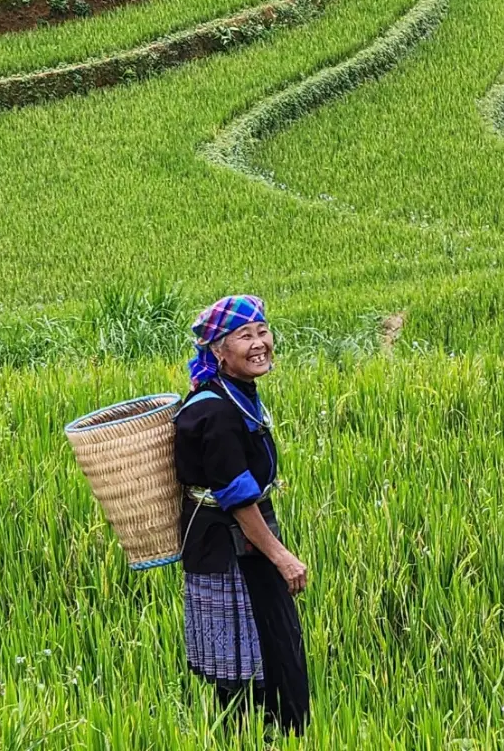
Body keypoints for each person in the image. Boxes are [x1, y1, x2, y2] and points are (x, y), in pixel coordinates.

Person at [174, 294, 310, 733]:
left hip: (237, 540)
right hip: (229, 547)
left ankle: (272, 735)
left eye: (262, 331)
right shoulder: (216, 410)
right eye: (243, 335)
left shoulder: (234, 395)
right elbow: (235, 495)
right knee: (250, 661)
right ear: (218, 350)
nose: (259, 343)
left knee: (267, 648)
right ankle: (263, 737)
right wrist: (281, 555)